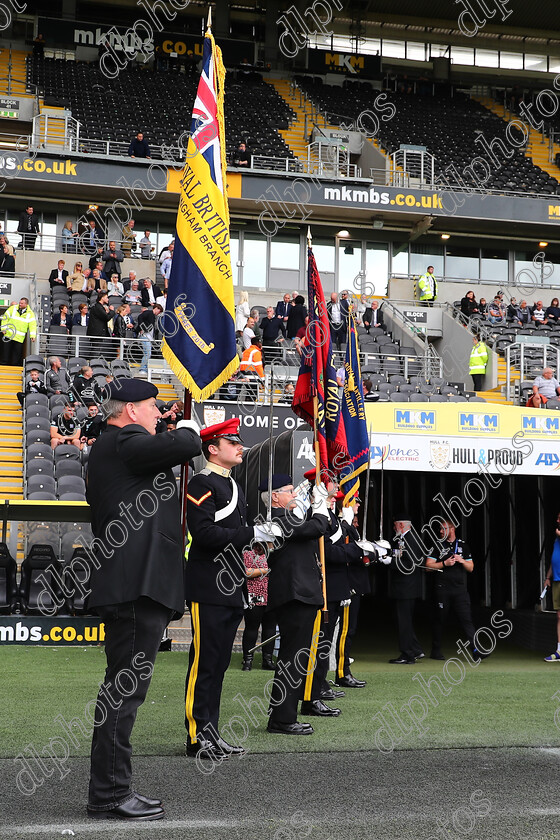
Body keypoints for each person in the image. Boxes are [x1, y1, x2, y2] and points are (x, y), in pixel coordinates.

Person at [86, 377, 201, 821]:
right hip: (135, 586)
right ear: (130, 409)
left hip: (135, 585)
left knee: (123, 691)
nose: (159, 412)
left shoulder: (121, 444)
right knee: (123, 694)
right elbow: (184, 445)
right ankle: (110, 794)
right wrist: (189, 430)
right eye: (154, 406)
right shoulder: (123, 439)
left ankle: (110, 790)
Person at [185, 418, 263, 759]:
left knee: (218, 665)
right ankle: (195, 736)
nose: (240, 446)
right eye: (232, 441)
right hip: (208, 585)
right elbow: (203, 534)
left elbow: (233, 538)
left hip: (231, 586)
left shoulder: (234, 486)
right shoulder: (202, 482)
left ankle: (210, 732)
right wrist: (251, 535)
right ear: (213, 448)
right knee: (204, 662)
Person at [264, 473, 330, 735]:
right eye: (289, 491)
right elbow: (316, 528)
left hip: (299, 594)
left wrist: (319, 505)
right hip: (294, 595)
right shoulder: (277, 520)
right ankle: (282, 718)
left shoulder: (290, 517)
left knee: (292, 658)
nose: (295, 494)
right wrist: (320, 508)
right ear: (275, 497)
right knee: (292, 659)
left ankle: (280, 711)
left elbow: (324, 529)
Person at [425, 520, 478, 662]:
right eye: (440, 529)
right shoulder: (437, 545)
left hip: (460, 589)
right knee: (440, 619)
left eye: (443, 529)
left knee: (466, 618)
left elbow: (471, 567)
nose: (441, 531)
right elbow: (428, 566)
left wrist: (462, 561)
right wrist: (444, 563)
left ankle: (475, 649)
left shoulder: (463, 545)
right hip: (442, 589)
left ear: (452, 529)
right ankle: (435, 650)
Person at [388, 516, 425, 664]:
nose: (394, 528)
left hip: (406, 587)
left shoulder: (411, 539)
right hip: (403, 587)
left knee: (404, 621)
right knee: (405, 621)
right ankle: (415, 649)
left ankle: (407, 654)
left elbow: (409, 564)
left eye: (395, 525)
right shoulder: (404, 538)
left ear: (402, 525)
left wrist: (391, 561)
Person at [241, 548, 276, 671]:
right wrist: (267, 570)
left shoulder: (276, 551)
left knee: (270, 627)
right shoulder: (248, 552)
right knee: (251, 627)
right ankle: (247, 660)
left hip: (272, 593)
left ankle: (267, 660)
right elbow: (247, 572)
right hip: (254, 594)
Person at [543, 512, 560, 662]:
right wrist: (548, 577)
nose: (557, 520)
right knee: (559, 615)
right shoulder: (556, 538)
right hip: (556, 579)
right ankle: (559, 650)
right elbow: (554, 558)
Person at [0, 297, 37, 366]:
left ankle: (14, 366)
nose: (19, 304)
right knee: (5, 351)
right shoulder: (13, 308)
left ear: (26, 304)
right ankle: (3, 365)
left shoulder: (30, 314)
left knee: (16, 354)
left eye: (22, 303)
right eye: (19, 302)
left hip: (19, 338)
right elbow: (5, 318)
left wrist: (32, 336)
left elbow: (32, 325)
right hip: (9, 334)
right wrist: (3, 328)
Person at [136, 304, 162, 375]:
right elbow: (140, 317)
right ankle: (143, 369)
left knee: (147, 353)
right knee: (147, 353)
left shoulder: (152, 316)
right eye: (159, 311)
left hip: (148, 337)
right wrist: (142, 328)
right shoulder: (149, 313)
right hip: (145, 336)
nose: (159, 313)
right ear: (156, 308)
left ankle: (144, 368)